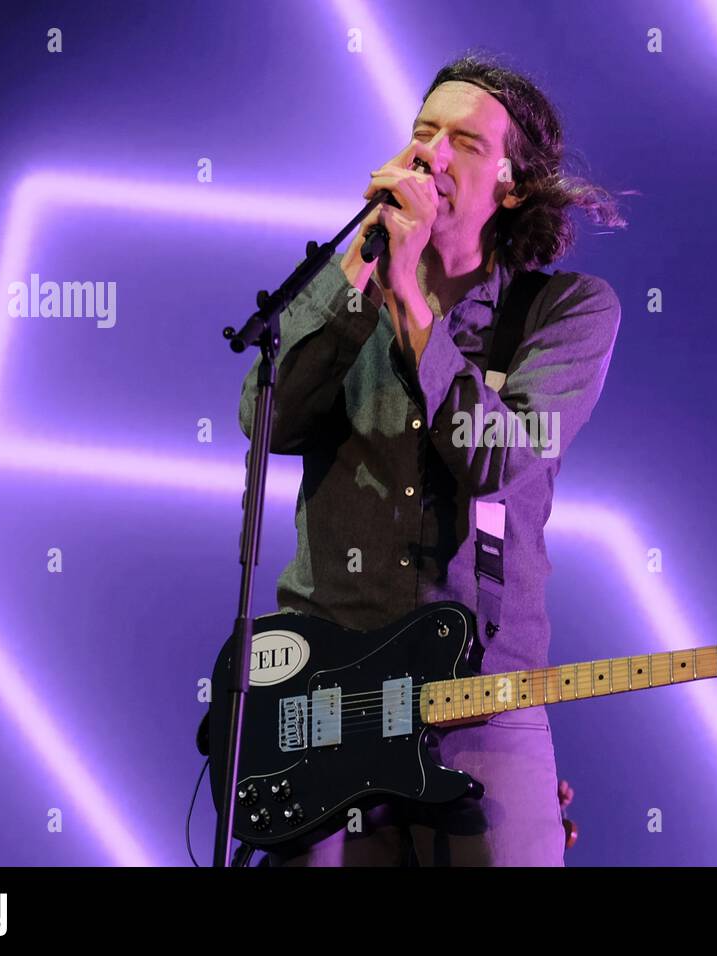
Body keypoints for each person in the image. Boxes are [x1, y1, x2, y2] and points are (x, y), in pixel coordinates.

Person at [239, 51, 628, 866]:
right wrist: (357, 280)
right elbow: (265, 419)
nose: (432, 155)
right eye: (422, 133)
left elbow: (500, 460)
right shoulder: (346, 286)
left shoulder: (563, 311)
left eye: (465, 142)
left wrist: (415, 309)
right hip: (329, 695)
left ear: (513, 185)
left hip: (484, 705)